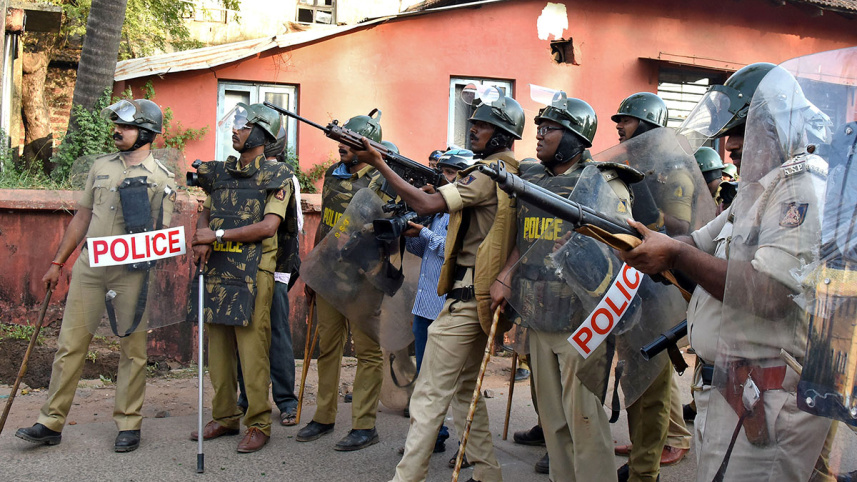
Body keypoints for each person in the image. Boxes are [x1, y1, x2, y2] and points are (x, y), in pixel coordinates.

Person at [618, 63, 831, 480]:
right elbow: (695, 242)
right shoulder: (756, 190)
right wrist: (632, 233)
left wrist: (673, 255)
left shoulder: (798, 188)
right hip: (733, 390)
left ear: (780, 126)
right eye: (728, 131)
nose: (729, 144)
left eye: (741, 131)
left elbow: (770, 293)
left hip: (765, 396)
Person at [358, 91, 524, 482]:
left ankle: (407, 477)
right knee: (465, 391)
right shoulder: (510, 173)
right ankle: (487, 474)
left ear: (503, 133)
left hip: (467, 296)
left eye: (483, 124)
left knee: (429, 393)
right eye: (474, 122)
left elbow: (427, 207)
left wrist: (380, 163)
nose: (473, 128)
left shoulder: (488, 174)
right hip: (479, 295)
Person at [15, 99, 175, 453]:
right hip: (90, 267)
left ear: (146, 133)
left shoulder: (162, 178)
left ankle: (129, 423)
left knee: (133, 350)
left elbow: (160, 237)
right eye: (116, 124)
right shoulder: (101, 166)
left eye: (126, 126)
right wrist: (57, 263)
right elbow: (83, 217)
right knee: (69, 344)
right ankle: (50, 421)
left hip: (132, 273)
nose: (117, 130)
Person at [492, 93, 637, 481]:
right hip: (538, 316)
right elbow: (522, 237)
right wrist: (506, 274)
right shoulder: (531, 178)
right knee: (553, 420)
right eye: (538, 127)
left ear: (575, 136)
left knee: (584, 420)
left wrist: (584, 250)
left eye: (549, 129)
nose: (538, 135)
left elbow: (624, 250)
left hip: (582, 323)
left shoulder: (604, 183)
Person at [189, 102, 293, 453]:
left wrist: (216, 236)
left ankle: (258, 423)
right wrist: (202, 237)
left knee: (252, 351)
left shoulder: (278, 176)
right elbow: (206, 212)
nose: (235, 129)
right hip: (218, 269)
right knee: (218, 351)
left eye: (243, 125)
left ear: (261, 134)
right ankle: (225, 416)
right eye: (235, 123)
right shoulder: (220, 173)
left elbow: (268, 227)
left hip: (253, 271)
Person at [611, 92, 692, 482]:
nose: (619, 128)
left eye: (626, 121)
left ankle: (649, 465)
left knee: (655, 380)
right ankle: (642, 447)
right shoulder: (629, 169)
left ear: (646, 125)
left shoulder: (673, 174)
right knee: (634, 373)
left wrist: (648, 207)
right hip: (632, 283)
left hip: (661, 286)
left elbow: (682, 230)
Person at [296, 110, 387, 452]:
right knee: (327, 347)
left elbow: (390, 233)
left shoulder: (383, 180)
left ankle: (364, 425)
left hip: (364, 281)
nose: (341, 145)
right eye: (341, 139)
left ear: (368, 146)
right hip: (329, 277)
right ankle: (324, 416)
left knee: (367, 352)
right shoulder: (332, 175)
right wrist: (313, 268)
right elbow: (324, 224)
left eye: (350, 141)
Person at [404, 148, 473, 455]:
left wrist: (425, 234)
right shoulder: (437, 210)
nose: (443, 178)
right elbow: (424, 252)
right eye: (442, 171)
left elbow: (455, 251)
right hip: (425, 304)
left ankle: (470, 446)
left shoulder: (468, 210)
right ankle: (432, 436)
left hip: (449, 306)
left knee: (455, 381)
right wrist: (412, 233)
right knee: (424, 377)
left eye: (450, 172)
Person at [236, 127, 303, 426]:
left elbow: (293, 227)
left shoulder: (284, 176)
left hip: (275, 268)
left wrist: (281, 271)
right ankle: (247, 398)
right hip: (242, 266)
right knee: (244, 332)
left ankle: (286, 400)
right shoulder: (241, 173)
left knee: (276, 333)